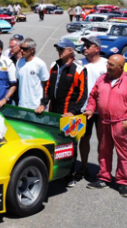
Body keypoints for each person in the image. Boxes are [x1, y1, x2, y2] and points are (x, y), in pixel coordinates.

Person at [83, 55, 127, 197]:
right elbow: (93, 96)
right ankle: (104, 177)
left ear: (121, 68)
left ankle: (122, 182)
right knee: (104, 151)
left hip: (121, 124)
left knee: (122, 154)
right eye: (108, 64)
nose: (108, 67)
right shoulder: (102, 79)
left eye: (111, 65)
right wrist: (90, 109)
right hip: (104, 122)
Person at [39, 40, 88, 186]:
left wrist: (73, 112)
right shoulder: (54, 65)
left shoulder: (79, 69)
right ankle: (56, 172)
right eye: (58, 49)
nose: (59, 51)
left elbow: (82, 94)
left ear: (70, 50)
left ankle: (70, 174)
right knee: (54, 142)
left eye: (62, 49)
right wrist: (43, 103)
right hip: (53, 111)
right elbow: (47, 87)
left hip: (70, 115)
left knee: (69, 144)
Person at [77, 36, 108, 180]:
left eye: (88, 46)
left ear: (97, 49)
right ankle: (83, 167)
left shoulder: (106, 65)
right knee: (84, 138)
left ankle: (103, 170)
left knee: (103, 140)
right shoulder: (79, 64)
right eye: (84, 45)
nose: (85, 48)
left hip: (102, 110)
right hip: (84, 109)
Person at [16, 39, 50, 110]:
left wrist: (43, 104)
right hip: (22, 105)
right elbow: (19, 82)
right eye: (21, 48)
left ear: (32, 50)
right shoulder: (19, 63)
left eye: (25, 49)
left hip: (36, 106)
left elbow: (46, 85)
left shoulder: (40, 64)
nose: (22, 51)